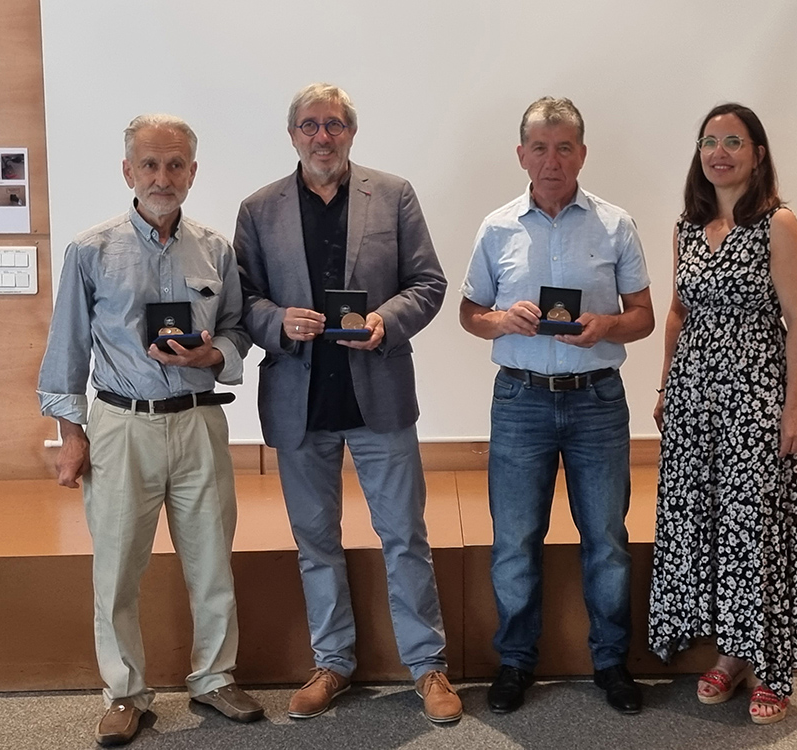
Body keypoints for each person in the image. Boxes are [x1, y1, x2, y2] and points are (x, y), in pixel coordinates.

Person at [233, 83, 461, 724]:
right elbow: (242, 299)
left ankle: (428, 667)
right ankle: (332, 663)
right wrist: (279, 321)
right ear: (293, 134)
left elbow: (429, 282)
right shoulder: (258, 208)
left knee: (405, 536)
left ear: (351, 133)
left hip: (378, 397)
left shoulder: (393, 195)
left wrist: (387, 320)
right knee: (315, 543)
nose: (322, 137)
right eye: (310, 125)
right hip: (299, 400)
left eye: (333, 124)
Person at [37, 114, 261, 746]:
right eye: (151, 165)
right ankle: (125, 692)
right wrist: (71, 435)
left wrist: (211, 354)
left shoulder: (216, 250)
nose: (164, 178)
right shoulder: (90, 250)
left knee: (213, 560)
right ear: (128, 170)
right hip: (119, 426)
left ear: (193, 172)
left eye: (176, 165)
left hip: (198, 424)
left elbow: (239, 329)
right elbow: (65, 353)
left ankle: (215, 678)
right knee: (116, 569)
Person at [459, 97, 655, 715]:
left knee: (607, 538)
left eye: (564, 146)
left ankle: (611, 662)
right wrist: (500, 320)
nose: (552, 159)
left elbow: (645, 316)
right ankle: (516, 661)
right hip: (519, 399)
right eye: (540, 147)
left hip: (597, 400)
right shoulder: (496, 228)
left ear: (582, 154)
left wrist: (606, 327)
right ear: (521, 155)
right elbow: (469, 314)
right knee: (515, 539)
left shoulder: (616, 224)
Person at [648, 103, 797, 725]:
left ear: (757, 154)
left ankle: (767, 664)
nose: (720, 152)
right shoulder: (686, 227)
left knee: (752, 529)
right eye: (709, 142)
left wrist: (794, 407)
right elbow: (676, 312)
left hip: (753, 400)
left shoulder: (778, 224)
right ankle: (729, 653)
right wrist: (666, 387)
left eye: (734, 142)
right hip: (693, 399)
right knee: (706, 525)